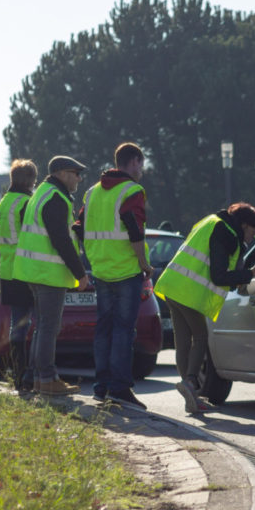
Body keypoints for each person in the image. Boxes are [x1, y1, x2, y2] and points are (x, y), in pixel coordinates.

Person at [155, 202, 255, 414]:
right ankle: (190, 383)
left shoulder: (211, 221)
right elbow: (218, 275)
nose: (253, 236)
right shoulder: (226, 233)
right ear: (244, 225)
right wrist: (250, 274)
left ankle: (190, 394)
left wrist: (239, 274)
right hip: (188, 291)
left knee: (183, 341)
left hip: (172, 284)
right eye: (253, 230)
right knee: (201, 337)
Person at [79, 142, 153, 406]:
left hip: (100, 269)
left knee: (104, 329)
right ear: (133, 162)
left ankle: (101, 386)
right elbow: (134, 229)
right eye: (141, 165)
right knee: (123, 330)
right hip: (125, 270)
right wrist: (144, 263)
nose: (141, 171)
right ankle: (120, 389)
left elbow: (79, 227)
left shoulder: (92, 192)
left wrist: (90, 255)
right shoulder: (132, 191)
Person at [12, 156, 89, 396]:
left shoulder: (42, 193)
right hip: (48, 273)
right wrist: (80, 273)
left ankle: (39, 378)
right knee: (48, 327)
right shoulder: (55, 197)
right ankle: (47, 378)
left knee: (42, 326)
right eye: (77, 174)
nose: (79, 179)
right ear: (64, 173)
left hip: (35, 271)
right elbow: (60, 240)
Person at [0, 159, 38, 392]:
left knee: (17, 325)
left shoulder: (4, 203)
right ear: (30, 180)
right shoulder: (27, 203)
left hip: (7, 271)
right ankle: (31, 374)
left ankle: (19, 374)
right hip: (26, 269)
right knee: (38, 324)